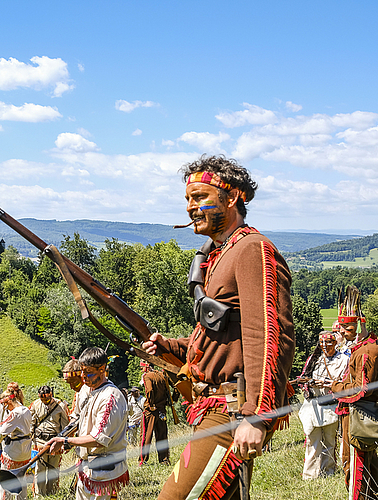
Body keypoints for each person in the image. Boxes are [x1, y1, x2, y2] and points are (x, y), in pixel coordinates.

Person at [143, 155, 295, 499]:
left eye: (199, 197)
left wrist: (256, 416)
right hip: (213, 407)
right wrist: (171, 346)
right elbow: (222, 338)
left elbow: (270, 336)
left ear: (232, 197)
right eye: (187, 200)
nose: (190, 207)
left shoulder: (252, 249)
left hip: (231, 411)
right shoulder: (219, 253)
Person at [48, 347, 129, 500]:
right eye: (82, 371)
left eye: (88, 372)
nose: (83, 377)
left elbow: (98, 439)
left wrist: (65, 441)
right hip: (90, 468)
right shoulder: (89, 390)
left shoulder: (110, 397)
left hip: (104, 470)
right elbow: (79, 422)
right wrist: (65, 441)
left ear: (102, 369)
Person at [327, 285, 378, 499]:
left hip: (361, 418)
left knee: (358, 469)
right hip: (358, 416)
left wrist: (336, 388)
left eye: (346, 330)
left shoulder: (366, 351)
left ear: (359, 325)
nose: (342, 333)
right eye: (341, 330)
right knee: (366, 467)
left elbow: (361, 390)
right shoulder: (363, 347)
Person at [298, 331, 349, 479]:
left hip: (331, 405)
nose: (325, 346)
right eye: (322, 343)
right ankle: (310, 475)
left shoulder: (344, 360)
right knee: (312, 441)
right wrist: (307, 384)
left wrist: (329, 384)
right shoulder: (314, 359)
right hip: (313, 405)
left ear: (335, 343)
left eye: (328, 342)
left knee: (329, 441)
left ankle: (328, 472)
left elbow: (345, 381)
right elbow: (304, 377)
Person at [29, 385, 69, 496]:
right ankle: (39, 495)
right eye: (42, 399)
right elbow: (31, 423)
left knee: (53, 469)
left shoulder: (61, 406)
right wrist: (31, 439)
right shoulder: (35, 404)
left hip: (55, 442)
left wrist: (64, 443)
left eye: (46, 399)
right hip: (40, 442)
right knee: (39, 469)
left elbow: (65, 426)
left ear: (51, 395)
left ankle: (52, 493)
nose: (45, 402)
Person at [0, 386, 33, 500]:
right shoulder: (26, 410)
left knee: (6, 480)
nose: (5, 408)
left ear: (8, 402)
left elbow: (1, 431)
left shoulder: (15, 413)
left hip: (13, 452)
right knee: (21, 480)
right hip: (25, 451)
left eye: (5, 405)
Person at [138, 363, 172, 465]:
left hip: (150, 411)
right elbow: (175, 386)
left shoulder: (147, 376)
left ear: (147, 366)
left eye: (142, 367)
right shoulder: (162, 375)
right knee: (162, 435)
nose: (141, 370)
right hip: (162, 409)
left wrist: (151, 404)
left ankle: (143, 460)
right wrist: (172, 400)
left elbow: (150, 390)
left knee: (145, 436)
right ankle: (164, 459)